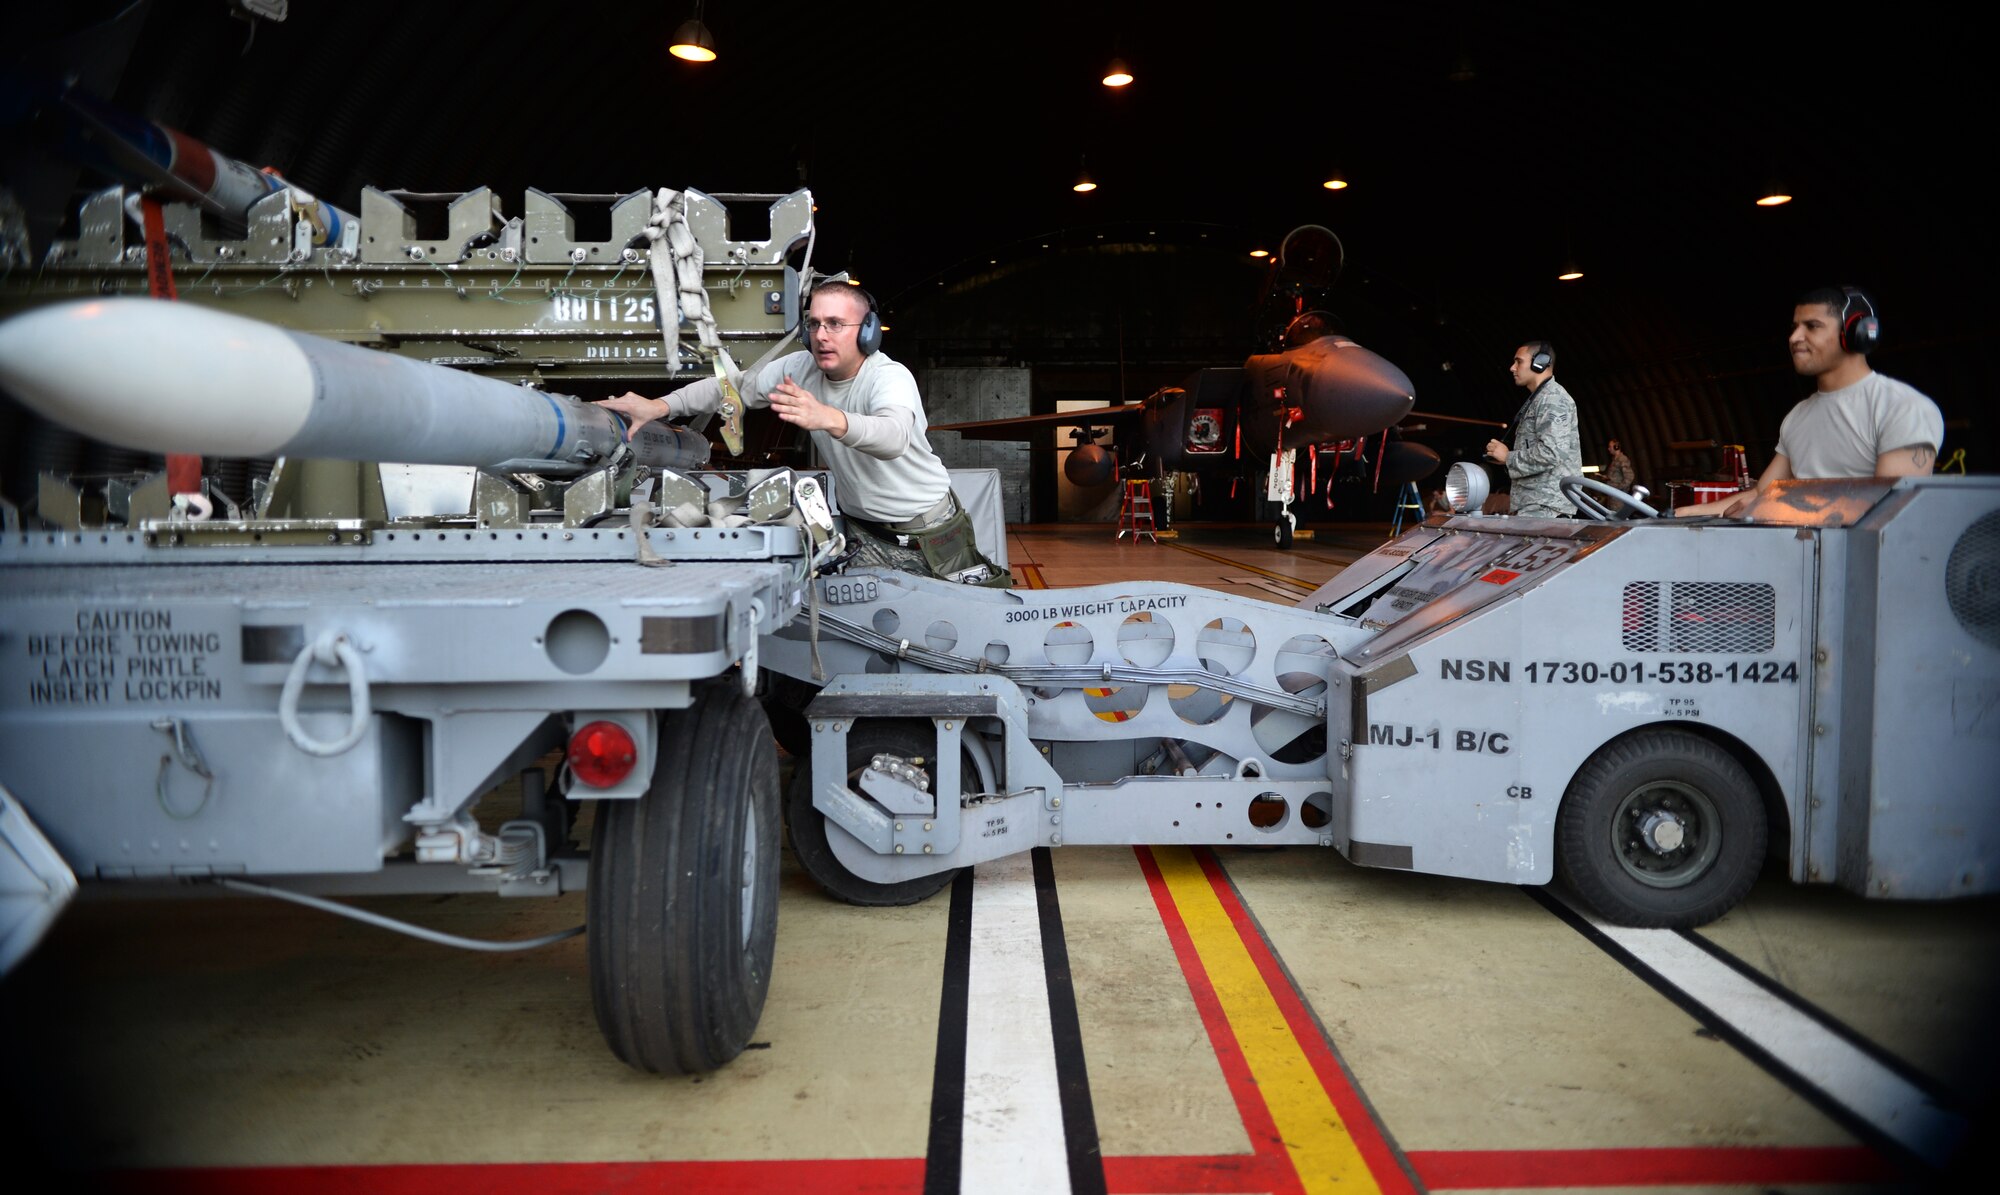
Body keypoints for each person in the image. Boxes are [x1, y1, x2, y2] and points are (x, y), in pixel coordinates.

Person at [596, 282, 1010, 585]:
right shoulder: (800, 367)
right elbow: (732, 388)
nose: (822, 335)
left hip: (930, 536)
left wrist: (827, 417)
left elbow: (894, 436)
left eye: (835, 324)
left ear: (867, 331)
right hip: (864, 531)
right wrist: (659, 406)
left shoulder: (889, 377)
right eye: (814, 324)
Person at [1674, 286, 1944, 517]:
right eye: (1794, 328)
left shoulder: (1902, 408)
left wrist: (1767, 507)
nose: (1794, 338)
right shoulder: (1798, 417)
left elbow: (1891, 510)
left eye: (1812, 327)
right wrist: (1674, 516)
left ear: (1856, 333)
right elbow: (1760, 493)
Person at [1486, 339, 1582, 517]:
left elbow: (1552, 452)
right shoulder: (1540, 399)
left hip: (1546, 505)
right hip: (1537, 503)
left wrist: (1509, 457)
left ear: (1540, 363)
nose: (1512, 368)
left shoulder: (1553, 399)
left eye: (1519, 361)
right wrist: (1504, 458)